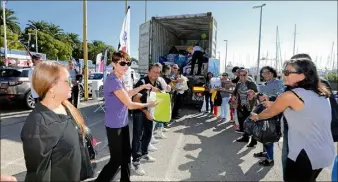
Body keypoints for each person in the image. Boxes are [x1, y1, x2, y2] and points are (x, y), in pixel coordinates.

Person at [250, 57, 335, 182]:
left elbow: (270, 112)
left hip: (305, 154)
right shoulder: (321, 92)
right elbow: (299, 109)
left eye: (287, 72)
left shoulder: (290, 95)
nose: (283, 75)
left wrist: (257, 116)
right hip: (324, 151)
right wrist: (272, 103)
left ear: (303, 75)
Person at [95, 51, 156, 182]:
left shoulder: (118, 78)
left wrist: (143, 86)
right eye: (122, 63)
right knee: (116, 160)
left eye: (128, 63)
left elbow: (127, 94)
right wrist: (148, 104)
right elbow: (129, 104)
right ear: (113, 64)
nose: (126, 66)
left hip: (122, 123)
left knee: (126, 155)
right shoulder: (113, 80)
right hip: (114, 125)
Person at [21, 62, 87, 181]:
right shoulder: (39, 125)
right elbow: (39, 175)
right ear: (52, 87)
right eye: (67, 81)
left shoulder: (66, 106)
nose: (72, 84)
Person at [131, 63, 164, 175]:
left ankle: (144, 153)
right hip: (140, 112)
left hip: (151, 112)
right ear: (148, 71)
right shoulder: (142, 82)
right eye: (154, 71)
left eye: (158, 72)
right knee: (138, 136)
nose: (156, 74)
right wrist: (145, 112)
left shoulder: (158, 82)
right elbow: (135, 98)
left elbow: (160, 96)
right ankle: (135, 161)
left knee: (148, 134)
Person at [252, 66, 284, 166]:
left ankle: (270, 159)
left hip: (273, 114)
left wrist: (269, 98)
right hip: (264, 112)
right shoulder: (264, 84)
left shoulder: (278, 83)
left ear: (273, 73)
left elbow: (281, 97)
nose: (266, 75)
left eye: (268, 72)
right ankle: (265, 153)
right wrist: (255, 94)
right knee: (263, 134)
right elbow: (260, 95)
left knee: (268, 135)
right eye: (263, 73)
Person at [233, 68, 258, 147]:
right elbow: (235, 92)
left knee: (251, 123)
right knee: (243, 122)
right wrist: (234, 96)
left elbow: (257, 93)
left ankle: (254, 140)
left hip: (250, 106)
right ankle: (245, 137)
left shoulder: (251, 83)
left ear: (247, 75)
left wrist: (252, 94)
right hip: (241, 106)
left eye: (244, 75)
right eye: (241, 75)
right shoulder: (239, 84)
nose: (242, 77)